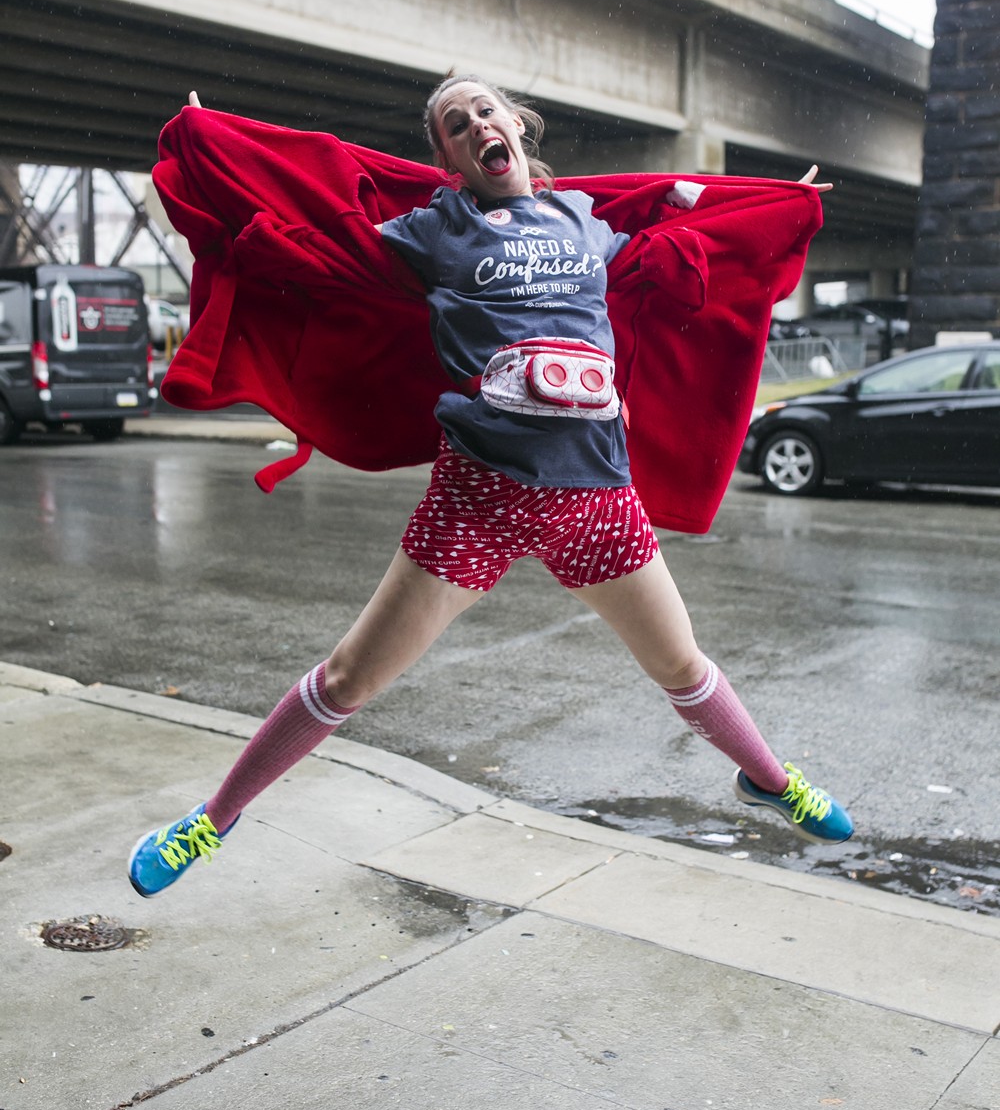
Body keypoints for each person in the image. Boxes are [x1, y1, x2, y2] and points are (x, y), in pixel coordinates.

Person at [128, 76, 852, 897]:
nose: (475, 125)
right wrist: (214, 145)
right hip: (479, 503)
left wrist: (775, 206)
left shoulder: (585, 220)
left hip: (600, 502)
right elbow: (319, 229)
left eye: (484, 111)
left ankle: (768, 780)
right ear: (446, 157)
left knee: (682, 667)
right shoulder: (432, 230)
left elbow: (677, 233)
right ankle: (211, 821)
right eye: (454, 124)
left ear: (517, 125)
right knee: (346, 681)